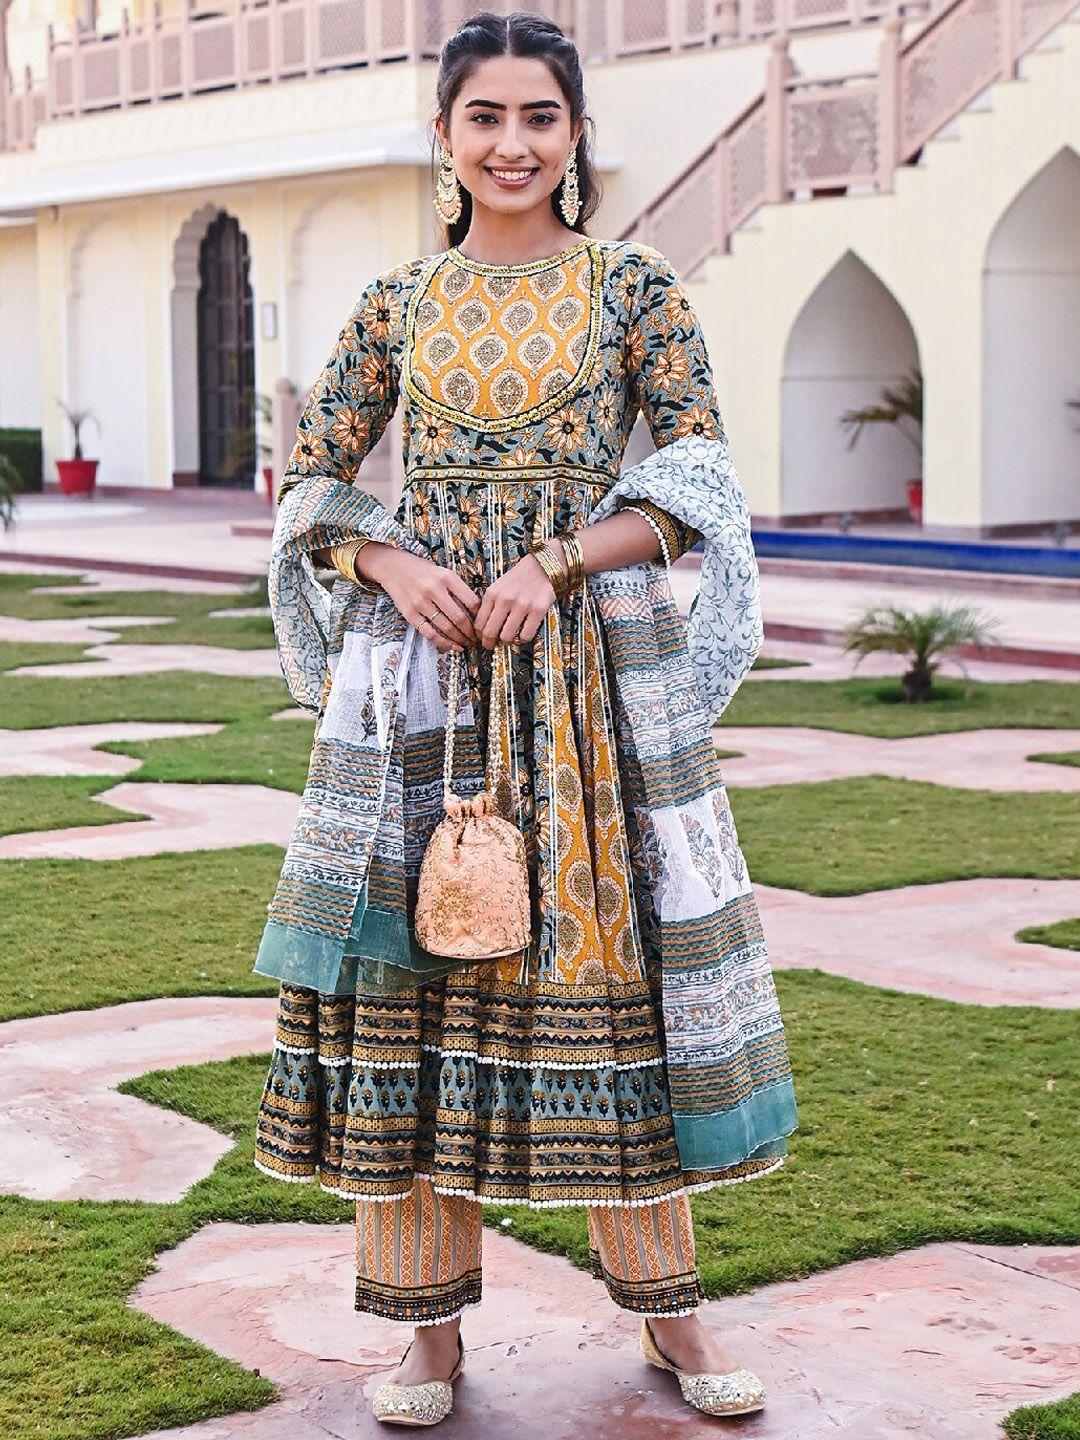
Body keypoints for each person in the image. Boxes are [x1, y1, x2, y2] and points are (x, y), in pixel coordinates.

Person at [251, 8, 798, 1427]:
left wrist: (556, 561)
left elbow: (695, 476)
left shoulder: (632, 288)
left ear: (573, 135)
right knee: (409, 987)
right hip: (420, 689)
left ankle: (673, 1321)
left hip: (583, 693)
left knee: (609, 977)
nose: (511, 143)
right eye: (483, 117)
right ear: (443, 136)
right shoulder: (394, 303)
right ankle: (424, 1335)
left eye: (538, 117)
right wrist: (392, 558)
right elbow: (309, 482)